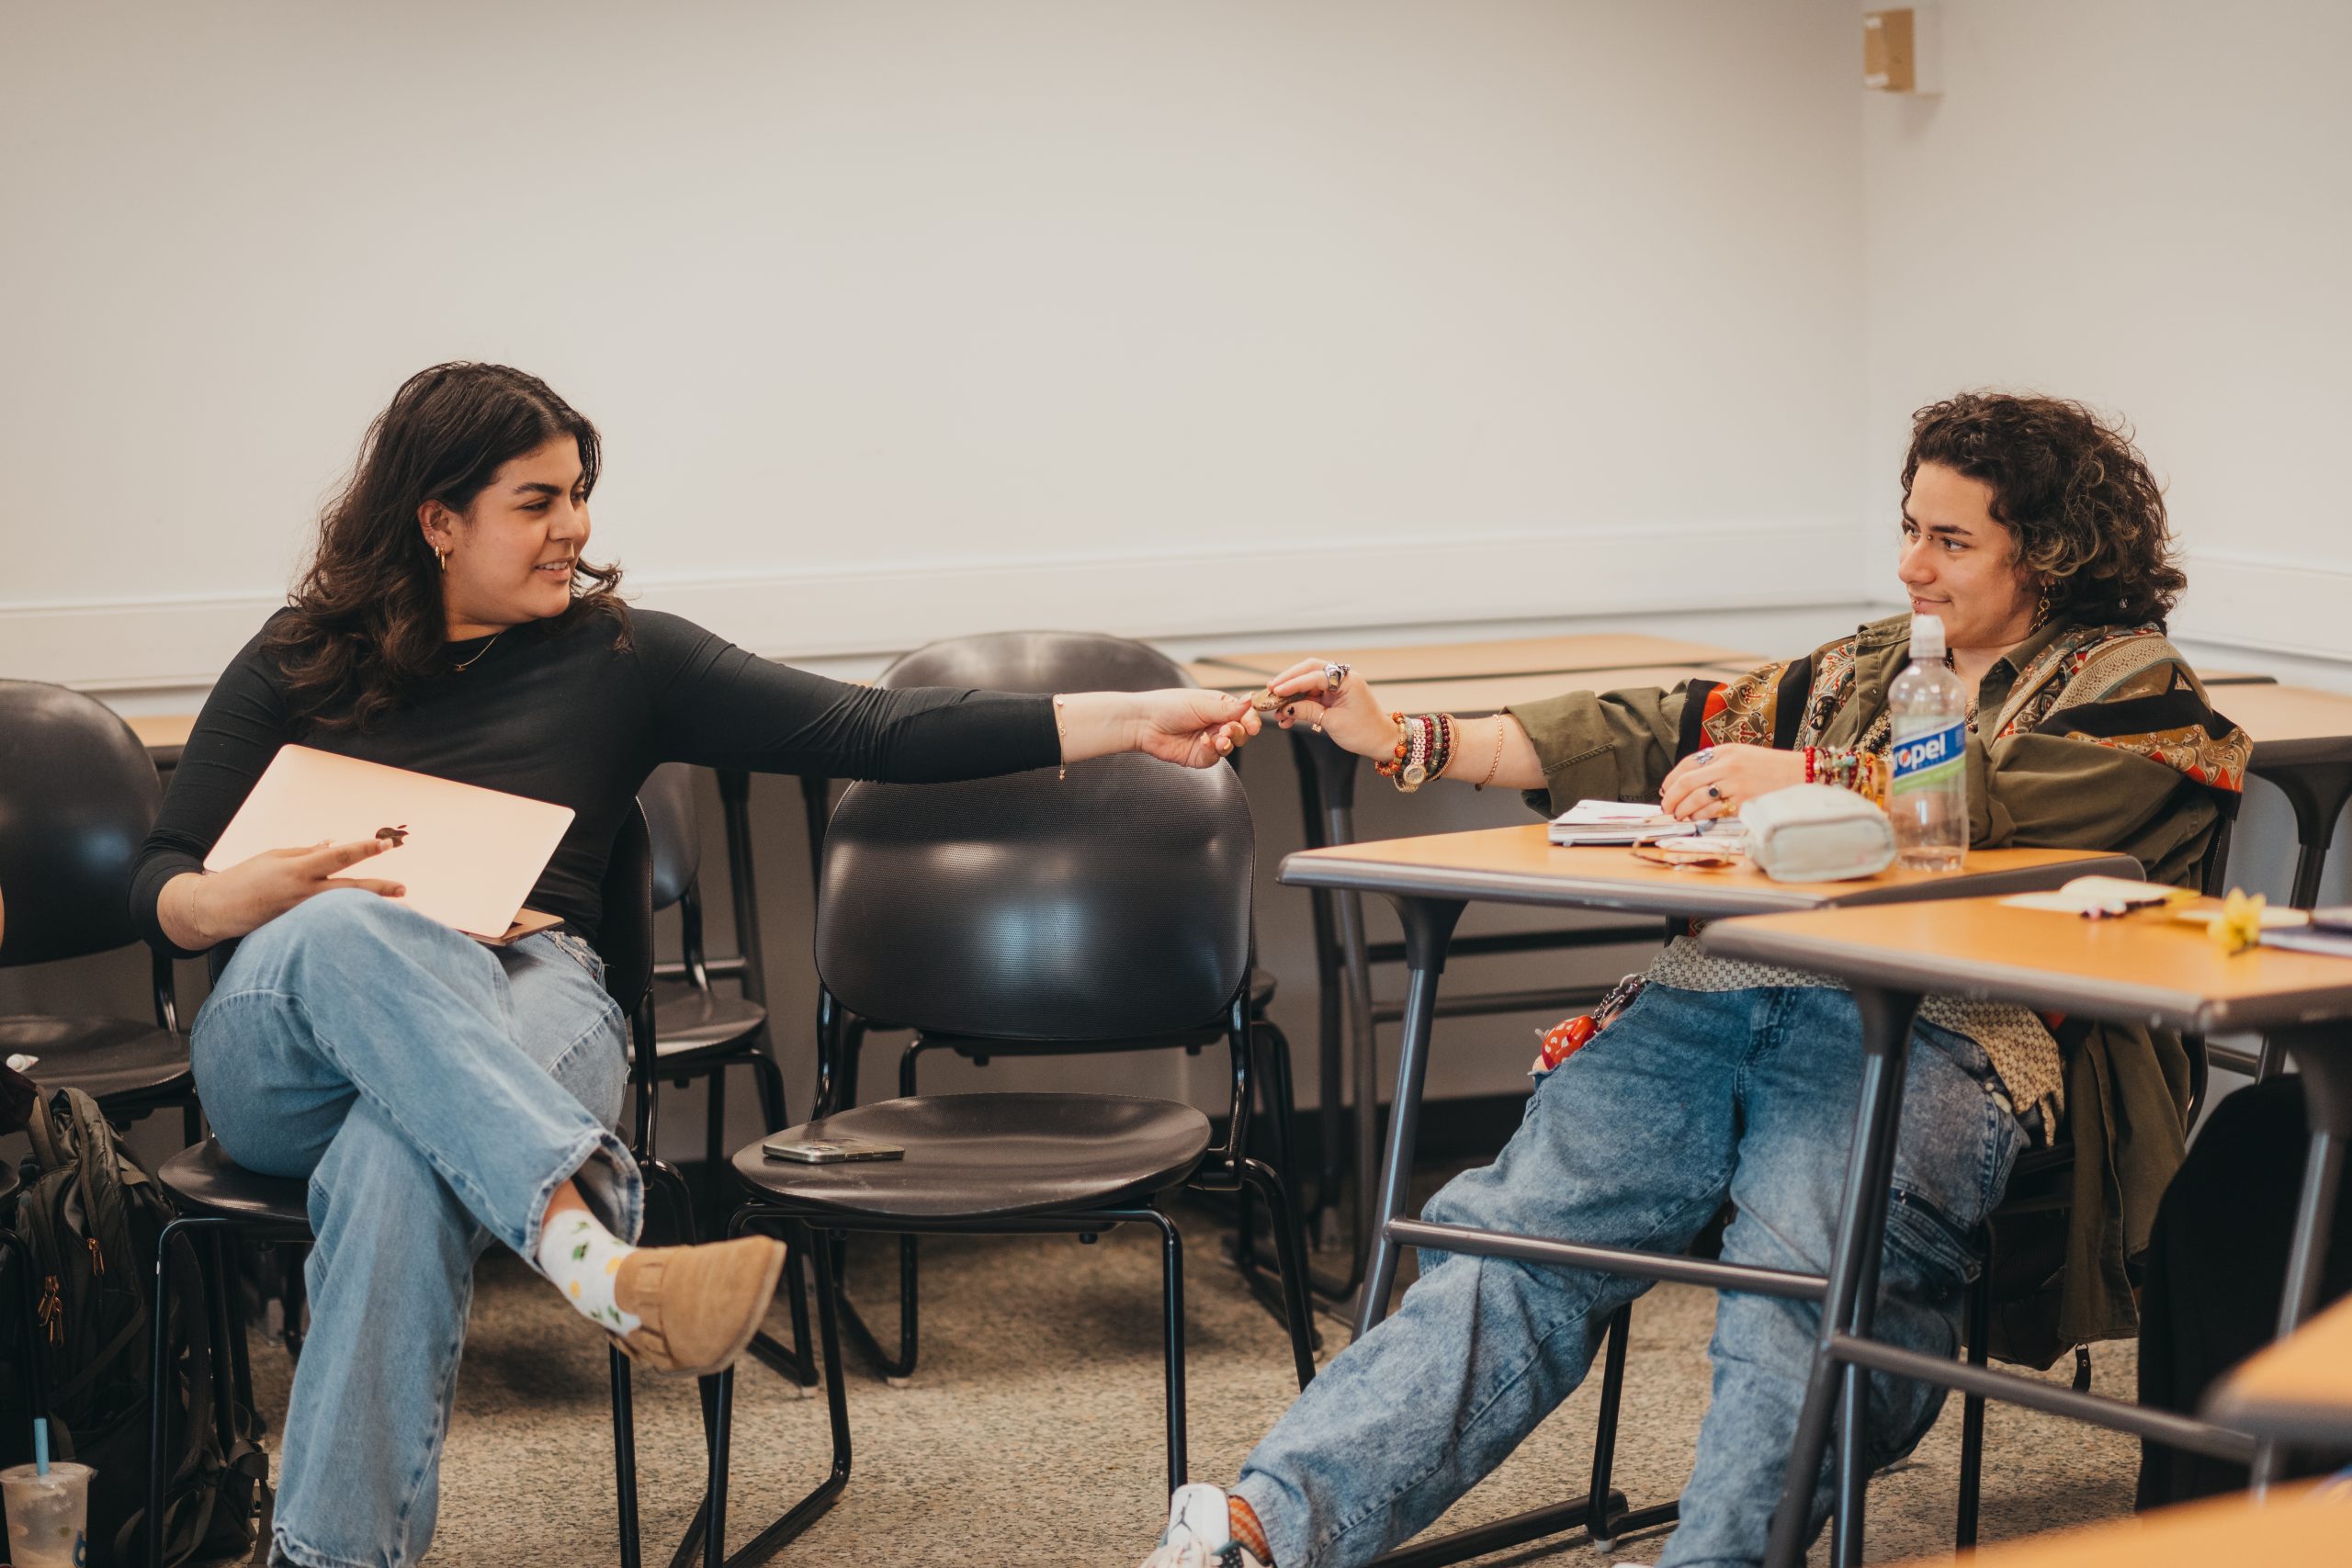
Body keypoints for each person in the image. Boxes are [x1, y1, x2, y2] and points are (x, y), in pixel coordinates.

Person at [133, 362, 1260, 1568]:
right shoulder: (299, 656)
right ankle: (594, 1254)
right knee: (347, 926)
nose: (572, 525)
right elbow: (158, 883)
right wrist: (239, 895)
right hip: (289, 1030)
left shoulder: (621, 657)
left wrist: (1131, 717)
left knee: (396, 1157)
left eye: (579, 494)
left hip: (528, 995)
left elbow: (873, 729)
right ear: (437, 517)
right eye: (536, 499)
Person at [1136, 392, 2252, 1568]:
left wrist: (1802, 774)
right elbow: (1653, 726)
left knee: (1806, 1292)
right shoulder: (1869, 663)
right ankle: (1262, 1535)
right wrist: (1407, 737)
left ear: (2053, 551)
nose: (1911, 564)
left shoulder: (2132, 688)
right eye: (1909, 527)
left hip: (1940, 1028)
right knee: (1520, 1241)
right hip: (1721, 994)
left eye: (1951, 540)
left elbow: (2001, 792)